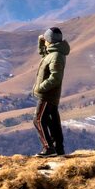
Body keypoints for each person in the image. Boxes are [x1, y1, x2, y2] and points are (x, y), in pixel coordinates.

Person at [33, 26, 69, 156]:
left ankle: (48, 148)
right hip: (50, 94)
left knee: (38, 120)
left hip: (47, 94)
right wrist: (41, 42)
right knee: (53, 122)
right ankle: (59, 148)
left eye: (46, 38)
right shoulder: (54, 52)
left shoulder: (56, 56)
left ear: (50, 40)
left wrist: (40, 87)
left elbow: (55, 77)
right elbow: (44, 55)